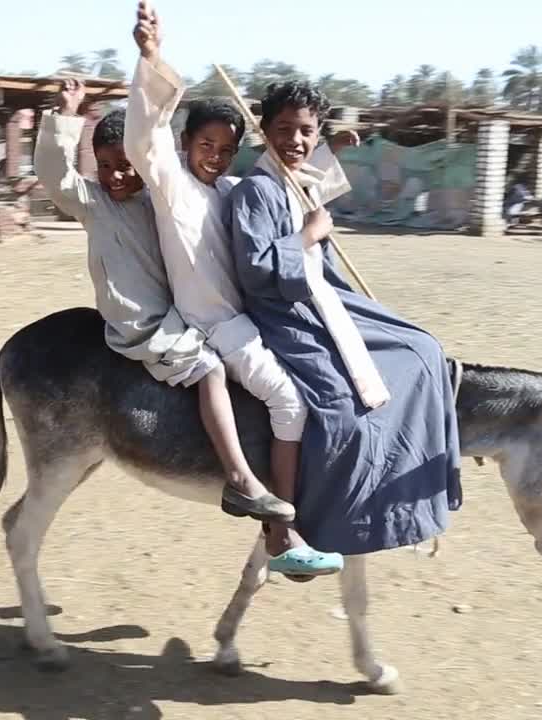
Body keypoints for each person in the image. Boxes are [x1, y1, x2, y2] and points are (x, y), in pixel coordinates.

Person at [125, 0, 347, 577]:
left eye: (226, 150)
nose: (216, 157)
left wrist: (331, 149)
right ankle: (279, 531)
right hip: (215, 324)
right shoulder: (170, 181)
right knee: (289, 401)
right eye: (205, 146)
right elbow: (145, 136)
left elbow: (291, 169)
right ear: (185, 144)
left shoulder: (229, 191)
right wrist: (152, 59)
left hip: (247, 317)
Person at [34, 77, 294, 526]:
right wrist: (66, 116)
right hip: (143, 322)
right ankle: (239, 478)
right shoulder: (94, 203)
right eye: (105, 165)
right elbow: (56, 176)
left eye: (126, 164)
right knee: (211, 370)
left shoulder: (160, 196)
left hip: (179, 315)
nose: (117, 175)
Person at [228, 79, 463, 558]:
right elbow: (254, 272)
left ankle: (420, 489)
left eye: (306, 131)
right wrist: (308, 237)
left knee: (423, 348)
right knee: (342, 410)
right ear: (264, 131)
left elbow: (311, 178)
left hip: (323, 298)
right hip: (285, 313)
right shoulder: (254, 191)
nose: (295, 139)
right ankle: (296, 529)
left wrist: (332, 149)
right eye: (284, 128)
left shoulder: (295, 180)